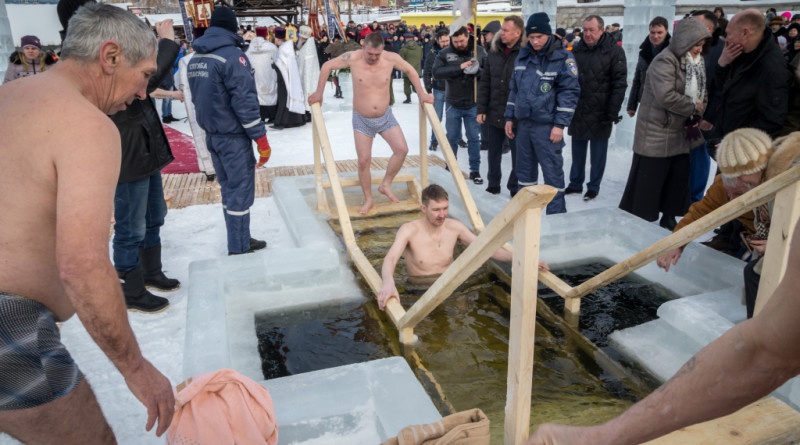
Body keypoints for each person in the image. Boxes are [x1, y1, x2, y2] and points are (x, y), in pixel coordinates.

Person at [0, 3, 174, 441]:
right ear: (110, 57)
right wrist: (136, 369)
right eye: (144, 74)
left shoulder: (10, 96)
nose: (141, 92)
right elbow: (81, 263)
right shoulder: (87, 125)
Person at [309, 32, 433, 215]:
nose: (374, 58)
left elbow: (411, 71)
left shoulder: (391, 58)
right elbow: (327, 66)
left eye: (377, 54)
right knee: (363, 161)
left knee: (402, 150)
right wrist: (319, 93)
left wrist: (422, 93)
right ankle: (368, 198)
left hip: (385, 117)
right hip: (362, 118)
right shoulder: (352, 58)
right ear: (363, 47)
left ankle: (386, 184)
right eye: (370, 54)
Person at [108, 17, 184, 313]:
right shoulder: (107, 69)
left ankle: (150, 272)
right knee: (130, 226)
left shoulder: (123, 60)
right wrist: (165, 42)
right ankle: (131, 289)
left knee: (155, 216)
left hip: (146, 151)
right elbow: (148, 80)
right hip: (129, 158)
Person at [656, 128, 773, 317]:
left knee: (757, 276)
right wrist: (677, 242)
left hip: (790, 241)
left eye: (740, 191)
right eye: (730, 193)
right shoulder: (726, 185)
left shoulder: (785, 183)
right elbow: (699, 214)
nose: (733, 199)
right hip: (759, 241)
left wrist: (780, 245)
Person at [377, 184, 549, 310]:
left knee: (462, 318)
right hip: (418, 290)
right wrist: (388, 282)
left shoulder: (455, 227)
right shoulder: (409, 230)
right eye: (436, 210)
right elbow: (391, 259)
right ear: (423, 208)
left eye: (445, 208)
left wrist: (523, 258)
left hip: (450, 287)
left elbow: (486, 249)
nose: (442, 215)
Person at [188, 6, 272, 255]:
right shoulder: (233, 56)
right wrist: (261, 138)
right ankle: (238, 247)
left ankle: (241, 238)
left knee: (229, 189)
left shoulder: (197, 57)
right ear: (232, 28)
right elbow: (244, 102)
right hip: (233, 137)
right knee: (240, 191)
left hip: (212, 136)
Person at [618, 18, 710, 230]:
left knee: (677, 178)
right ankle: (641, 222)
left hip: (681, 130)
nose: (699, 48)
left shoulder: (695, 61)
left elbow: (702, 91)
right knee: (650, 180)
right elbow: (665, 96)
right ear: (685, 41)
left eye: (702, 45)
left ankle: (669, 216)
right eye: (696, 43)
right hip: (656, 131)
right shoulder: (665, 60)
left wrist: (700, 107)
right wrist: (693, 107)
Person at [504, 12, 580, 215]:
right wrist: (509, 117)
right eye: (532, 37)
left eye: (539, 37)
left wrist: (559, 125)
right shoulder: (523, 55)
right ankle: (526, 218)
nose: (535, 41)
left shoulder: (563, 57)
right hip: (524, 126)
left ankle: (556, 219)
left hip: (547, 128)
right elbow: (515, 89)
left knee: (552, 177)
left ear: (549, 35)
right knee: (525, 177)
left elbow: (570, 92)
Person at [565, 15, 627, 202]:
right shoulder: (576, 50)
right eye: (585, 30)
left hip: (602, 111)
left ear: (602, 30)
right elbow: (568, 79)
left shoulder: (614, 52)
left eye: (592, 30)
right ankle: (575, 183)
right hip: (580, 109)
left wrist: (612, 111)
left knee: (598, 154)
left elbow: (619, 84)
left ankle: (593, 186)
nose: (587, 34)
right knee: (577, 151)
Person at [711, 9, 790, 142]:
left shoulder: (771, 67)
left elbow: (772, 120)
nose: (726, 39)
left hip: (745, 152)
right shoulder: (741, 52)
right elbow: (721, 89)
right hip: (729, 139)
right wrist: (722, 64)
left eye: (729, 34)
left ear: (745, 33)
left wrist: (737, 141)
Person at [432, 26, 487, 185]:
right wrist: (460, 68)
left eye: (462, 40)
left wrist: (478, 71)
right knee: (452, 137)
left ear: (468, 36)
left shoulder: (480, 51)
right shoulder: (445, 53)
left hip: (473, 103)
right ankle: (451, 165)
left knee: (473, 138)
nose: (459, 44)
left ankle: (474, 170)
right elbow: (437, 73)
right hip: (452, 103)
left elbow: (490, 74)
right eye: (455, 41)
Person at [478, 16, 524, 197]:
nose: (501, 33)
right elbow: (485, 82)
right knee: (493, 151)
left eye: (505, 30)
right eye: (501, 30)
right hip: (494, 110)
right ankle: (493, 183)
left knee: (517, 154)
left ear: (518, 33)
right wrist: (481, 109)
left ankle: (514, 186)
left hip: (516, 114)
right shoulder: (494, 51)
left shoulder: (525, 53)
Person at [176, 42, 216, 181]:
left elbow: (180, 82)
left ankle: (209, 169)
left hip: (195, 101)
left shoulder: (185, 60)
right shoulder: (215, 56)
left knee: (201, 134)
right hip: (214, 101)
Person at [626, 16, 670, 117]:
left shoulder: (672, 51)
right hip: (645, 101)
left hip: (664, 105)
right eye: (652, 32)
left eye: (659, 32)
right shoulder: (643, 51)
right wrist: (632, 105)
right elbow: (637, 79)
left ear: (667, 31)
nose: (655, 36)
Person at [272, 27, 306, 129]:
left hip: (284, 79)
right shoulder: (287, 47)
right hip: (286, 77)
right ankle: (293, 120)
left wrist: (274, 65)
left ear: (277, 39)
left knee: (284, 99)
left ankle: (282, 122)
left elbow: (281, 65)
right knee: (287, 98)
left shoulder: (283, 49)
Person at [423, 29, 449, 151]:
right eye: (443, 41)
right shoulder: (432, 54)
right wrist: (429, 90)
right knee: (436, 117)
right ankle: (434, 140)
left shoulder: (454, 52)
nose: (445, 43)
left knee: (453, 117)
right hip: (438, 89)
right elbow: (427, 73)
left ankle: (456, 137)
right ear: (437, 40)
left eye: (447, 40)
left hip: (453, 89)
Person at [246, 26, 279, 123]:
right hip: (268, 75)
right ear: (265, 34)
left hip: (256, 75)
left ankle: (260, 116)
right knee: (270, 93)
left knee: (257, 93)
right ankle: (272, 115)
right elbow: (277, 60)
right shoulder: (272, 47)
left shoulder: (249, 47)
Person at [296, 25, 320, 122]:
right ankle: (309, 113)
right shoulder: (309, 45)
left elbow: (301, 62)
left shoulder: (306, 48)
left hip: (306, 76)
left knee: (307, 91)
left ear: (302, 38)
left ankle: (308, 114)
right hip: (310, 76)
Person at [398, 32, 423, 104]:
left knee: (406, 84)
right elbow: (421, 57)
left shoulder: (404, 49)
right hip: (416, 69)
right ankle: (421, 96)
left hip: (407, 70)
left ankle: (408, 99)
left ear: (406, 39)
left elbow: (400, 59)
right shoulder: (419, 47)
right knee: (416, 84)